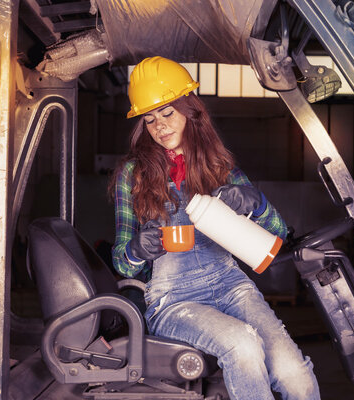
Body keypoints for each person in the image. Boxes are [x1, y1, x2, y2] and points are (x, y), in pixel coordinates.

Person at [109, 56, 320, 400]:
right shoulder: (132, 176)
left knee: (292, 372)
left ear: (190, 111)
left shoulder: (219, 167)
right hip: (173, 299)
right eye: (149, 120)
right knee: (242, 344)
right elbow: (120, 260)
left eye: (167, 113)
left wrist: (256, 203)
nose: (159, 126)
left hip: (231, 285)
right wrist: (135, 250)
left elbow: (279, 234)